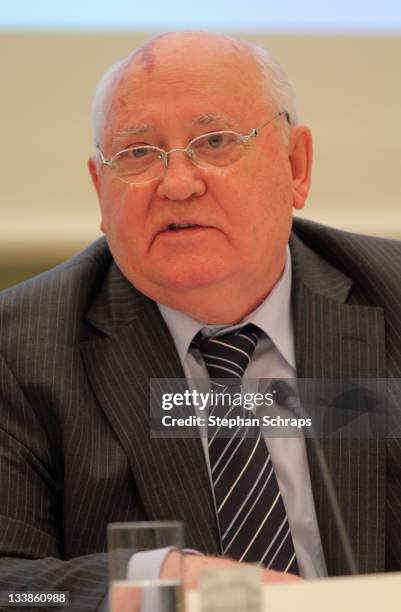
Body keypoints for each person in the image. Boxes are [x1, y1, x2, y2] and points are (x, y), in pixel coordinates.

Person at [0, 30, 400, 611]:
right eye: (137, 154)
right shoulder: (19, 352)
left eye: (215, 142)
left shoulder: (389, 297)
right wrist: (149, 580)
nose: (178, 184)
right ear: (100, 190)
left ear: (295, 166)